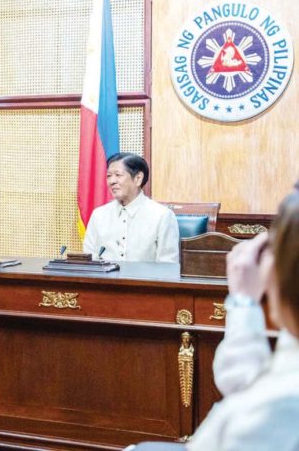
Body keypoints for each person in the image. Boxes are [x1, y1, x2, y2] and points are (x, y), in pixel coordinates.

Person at [127, 189, 299, 451]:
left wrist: (243, 298)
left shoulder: (279, 405)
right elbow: (244, 380)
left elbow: (237, 414)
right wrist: (244, 304)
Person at [83, 152, 179, 263]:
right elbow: (89, 259)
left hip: (146, 279)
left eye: (118, 175)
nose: (111, 181)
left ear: (138, 178)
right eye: (109, 176)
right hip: (104, 279)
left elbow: (168, 265)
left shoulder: (162, 216)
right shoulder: (99, 215)